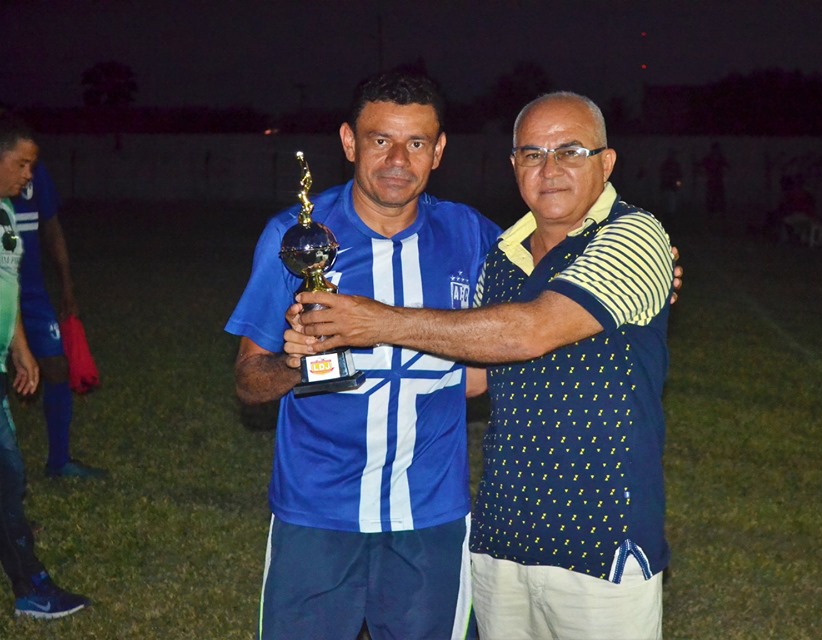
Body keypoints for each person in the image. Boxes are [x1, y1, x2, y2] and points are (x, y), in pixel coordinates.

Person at [285, 92, 674, 639]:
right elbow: (472, 375)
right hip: (500, 540)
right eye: (533, 154)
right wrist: (329, 350)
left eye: (570, 152)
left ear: (606, 163)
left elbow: (530, 330)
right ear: (514, 165)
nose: (551, 169)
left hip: (601, 542)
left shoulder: (636, 236)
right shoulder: (501, 254)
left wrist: (377, 322)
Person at [225, 71, 502, 640]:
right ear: (349, 142)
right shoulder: (297, 237)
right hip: (316, 512)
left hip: (430, 513)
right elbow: (249, 382)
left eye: (416, 143)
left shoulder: (471, 234)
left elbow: (551, 287)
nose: (398, 159)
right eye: (381, 140)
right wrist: (291, 364)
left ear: (438, 151)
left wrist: (638, 268)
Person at [0, 112, 90, 619]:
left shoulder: (6, 214)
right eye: (22, 164)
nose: (29, 175)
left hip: (8, 348)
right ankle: (28, 581)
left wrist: (19, 347)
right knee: (6, 474)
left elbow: (5, 285)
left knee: (8, 473)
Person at [13, 159, 105, 479]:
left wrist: (67, 285)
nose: (26, 172)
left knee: (57, 366)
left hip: (32, 293)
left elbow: (52, 229)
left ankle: (59, 461)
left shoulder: (33, 171)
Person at [700, 141, 728, 221]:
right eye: (715, 149)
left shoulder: (721, 158)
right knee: (711, 198)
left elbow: (727, 166)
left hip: (719, 181)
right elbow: (701, 165)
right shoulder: (708, 158)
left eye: (717, 149)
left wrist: (724, 171)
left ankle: (721, 213)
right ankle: (711, 213)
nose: (716, 151)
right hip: (711, 181)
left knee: (720, 197)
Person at [658, 148, 682, 220]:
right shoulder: (666, 164)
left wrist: (678, 185)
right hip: (667, 186)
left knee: (671, 204)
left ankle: (669, 217)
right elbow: (662, 175)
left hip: (672, 187)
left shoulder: (676, 165)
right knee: (666, 203)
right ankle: (667, 217)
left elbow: (679, 176)